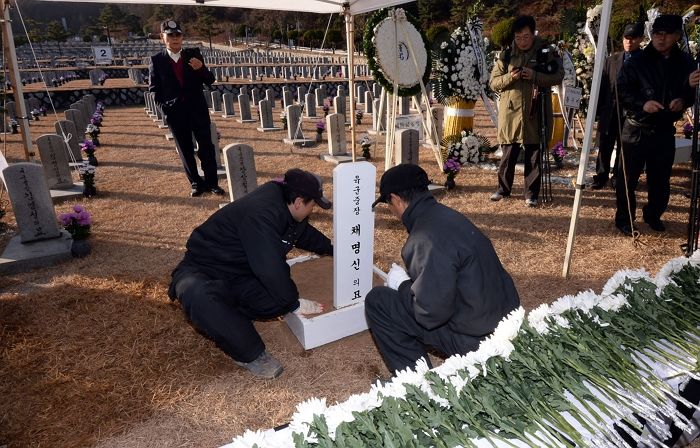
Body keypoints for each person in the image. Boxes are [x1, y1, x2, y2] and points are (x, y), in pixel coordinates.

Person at [168, 169, 333, 379]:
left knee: (276, 301)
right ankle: (250, 354)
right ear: (299, 202)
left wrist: (333, 248)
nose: (312, 210)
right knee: (199, 296)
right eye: (313, 205)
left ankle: (226, 314)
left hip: (240, 272)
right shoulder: (261, 214)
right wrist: (294, 303)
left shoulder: (285, 204)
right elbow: (269, 266)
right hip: (204, 270)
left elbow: (303, 234)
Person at [365, 164, 521, 374]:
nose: (392, 211)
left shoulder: (423, 238)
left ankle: (415, 385)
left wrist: (402, 286)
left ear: (395, 199)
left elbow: (429, 315)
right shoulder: (447, 216)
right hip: (501, 324)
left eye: (388, 204)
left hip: (478, 342)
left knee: (379, 301)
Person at [615, 14, 695, 236]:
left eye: (666, 34)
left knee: (660, 179)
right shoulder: (637, 61)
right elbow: (621, 90)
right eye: (657, 33)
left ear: (677, 36)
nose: (661, 38)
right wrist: (643, 104)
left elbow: (689, 92)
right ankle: (625, 219)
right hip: (636, 127)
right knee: (627, 179)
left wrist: (683, 99)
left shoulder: (686, 62)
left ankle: (653, 214)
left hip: (663, 129)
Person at [489, 15, 564, 207]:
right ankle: (503, 189)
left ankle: (531, 194)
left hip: (536, 110)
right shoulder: (505, 55)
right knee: (508, 154)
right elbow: (493, 83)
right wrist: (510, 77)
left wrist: (535, 75)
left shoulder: (545, 52)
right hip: (511, 112)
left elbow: (557, 76)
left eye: (526, 37)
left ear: (533, 34)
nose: (522, 41)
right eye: (518, 37)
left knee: (534, 155)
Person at [149, 19, 225, 197]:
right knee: (185, 149)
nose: (175, 38)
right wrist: (165, 110)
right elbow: (154, 90)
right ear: (162, 37)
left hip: (197, 110)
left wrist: (201, 68)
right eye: (170, 35)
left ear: (182, 37)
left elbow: (210, 80)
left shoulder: (193, 54)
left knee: (206, 147)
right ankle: (195, 183)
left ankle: (212, 183)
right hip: (175, 113)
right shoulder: (157, 60)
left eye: (178, 35)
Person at [591, 22, 644, 190]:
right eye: (626, 38)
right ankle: (601, 175)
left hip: (631, 113)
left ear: (640, 39)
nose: (629, 41)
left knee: (624, 147)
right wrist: (597, 111)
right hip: (610, 110)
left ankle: (618, 176)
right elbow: (603, 86)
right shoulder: (612, 60)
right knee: (605, 145)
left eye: (633, 38)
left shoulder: (645, 62)